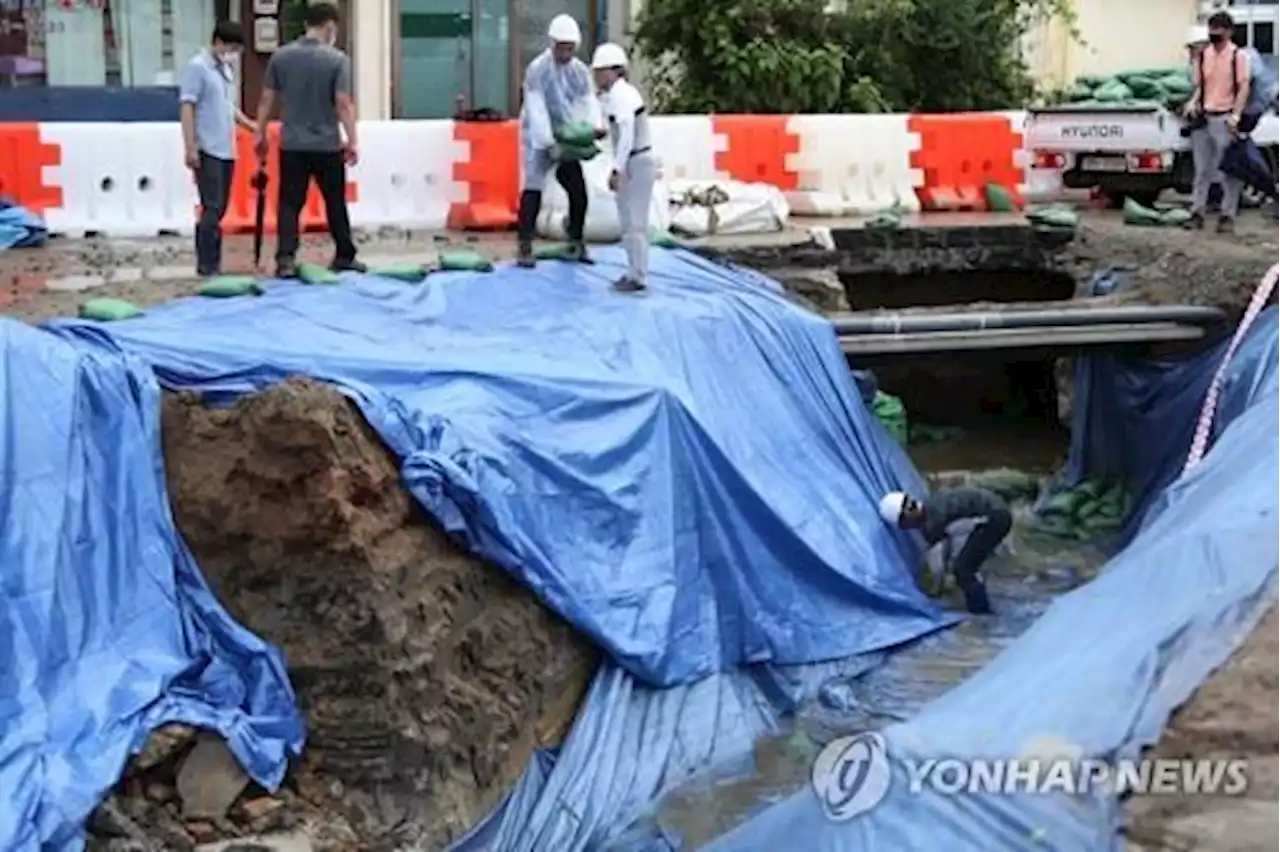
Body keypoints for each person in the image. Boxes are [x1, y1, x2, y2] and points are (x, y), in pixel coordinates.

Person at [254, 2, 363, 278]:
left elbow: (267, 99)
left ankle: (286, 258)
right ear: (330, 26)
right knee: (334, 201)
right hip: (326, 143)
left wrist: (260, 133)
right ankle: (344, 255)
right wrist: (352, 139)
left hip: (292, 143)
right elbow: (342, 103)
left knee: (290, 203)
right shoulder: (338, 60)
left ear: (306, 25)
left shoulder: (281, 57)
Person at [516, 14, 603, 268]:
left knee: (578, 191)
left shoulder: (578, 70)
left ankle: (576, 239)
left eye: (570, 48)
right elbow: (537, 108)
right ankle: (525, 246)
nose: (566, 53)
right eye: (562, 47)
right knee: (533, 189)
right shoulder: (537, 69)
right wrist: (546, 142)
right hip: (537, 137)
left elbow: (587, 100)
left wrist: (594, 127)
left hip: (566, 136)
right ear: (552, 44)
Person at [179, 21, 252, 278]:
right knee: (211, 205)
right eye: (230, 47)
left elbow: (228, 107)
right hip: (207, 146)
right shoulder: (198, 68)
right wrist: (190, 146)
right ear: (218, 42)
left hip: (226, 147)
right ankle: (207, 263)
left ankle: (215, 260)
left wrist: (249, 125)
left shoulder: (226, 71)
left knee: (220, 207)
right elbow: (188, 107)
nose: (231, 53)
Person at [878, 486, 1011, 615]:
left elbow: (938, 560)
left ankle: (982, 614)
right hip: (993, 509)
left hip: (996, 517)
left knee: (963, 570)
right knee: (964, 565)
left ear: (906, 515)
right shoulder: (931, 505)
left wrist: (935, 588)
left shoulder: (935, 520)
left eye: (904, 525)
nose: (907, 529)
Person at [591, 42, 656, 293]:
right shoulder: (616, 96)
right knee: (627, 219)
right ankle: (633, 270)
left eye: (599, 72)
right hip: (633, 160)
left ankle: (638, 275)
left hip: (636, 161)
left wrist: (618, 169)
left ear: (611, 71)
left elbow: (627, 132)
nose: (596, 78)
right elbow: (618, 129)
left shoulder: (622, 94)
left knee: (635, 221)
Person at [1184, 11, 1250, 234]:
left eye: (1219, 30)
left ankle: (1227, 215)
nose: (1214, 34)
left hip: (1225, 117)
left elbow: (1243, 87)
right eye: (1212, 29)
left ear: (1229, 32)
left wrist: (1236, 116)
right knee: (1202, 169)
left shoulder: (1237, 57)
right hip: (1204, 118)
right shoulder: (1204, 55)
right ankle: (1197, 212)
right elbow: (1201, 85)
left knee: (1228, 170)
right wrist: (1193, 103)